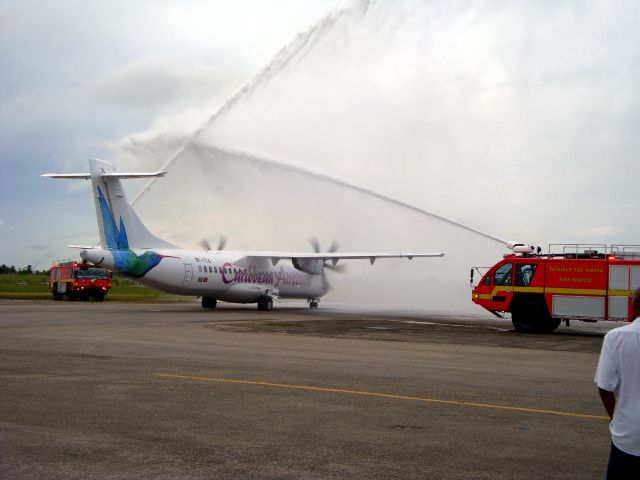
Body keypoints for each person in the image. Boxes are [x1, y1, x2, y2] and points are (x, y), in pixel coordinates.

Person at [594, 286, 640, 479]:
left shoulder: (616, 338)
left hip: (628, 437)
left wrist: (618, 419)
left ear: (634, 306)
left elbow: (604, 387)